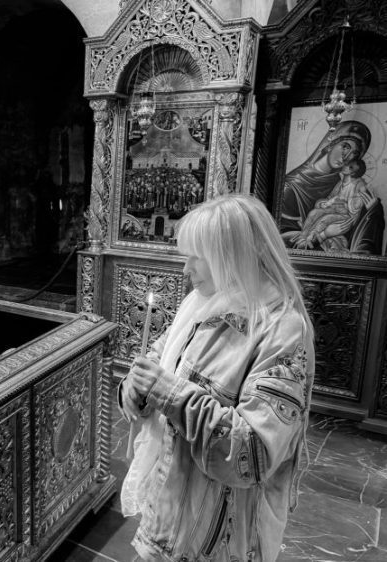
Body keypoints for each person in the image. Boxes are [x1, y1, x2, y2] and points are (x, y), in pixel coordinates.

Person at [119, 194, 315, 562]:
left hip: (216, 536)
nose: (186, 269)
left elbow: (253, 454)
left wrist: (168, 393)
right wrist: (134, 389)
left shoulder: (281, 331)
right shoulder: (202, 303)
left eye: (197, 257)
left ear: (234, 256)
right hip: (170, 508)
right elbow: (161, 359)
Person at [279, 120, 370, 236]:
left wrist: (372, 211)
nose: (346, 157)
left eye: (355, 153)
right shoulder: (291, 187)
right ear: (330, 144)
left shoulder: (343, 183)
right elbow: (278, 236)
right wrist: (323, 235)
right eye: (345, 147)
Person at [291, 159, 371, 251]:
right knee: (314, 213)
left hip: (346, 216)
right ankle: (302, 237)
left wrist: (345, 202)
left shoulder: (358, 185)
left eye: (351, 167)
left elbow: (355, 207)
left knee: (325, 219)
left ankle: (311, 240)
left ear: (354, 173)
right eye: (347, 164)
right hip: (334, 209)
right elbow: (331, 197)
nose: (345, 166)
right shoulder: (341, 183)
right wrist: (324, 203)